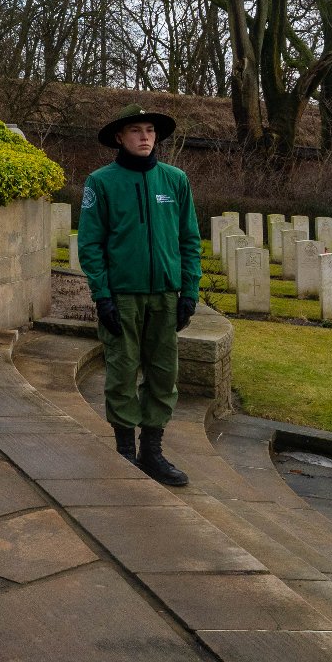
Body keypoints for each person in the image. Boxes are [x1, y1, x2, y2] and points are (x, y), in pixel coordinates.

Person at [77, 104, 200, 486]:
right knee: (122, 371)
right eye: (136, 130)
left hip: (165, 294)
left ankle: (153, 452)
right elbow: (91, 243)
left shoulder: (174, 180)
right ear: (120, 137)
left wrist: (189, 292)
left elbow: (189, 240)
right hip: (123, 296)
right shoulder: (101, 182)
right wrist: (103, 296)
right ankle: (125, 452)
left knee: (163, 375)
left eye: (150, 130)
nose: (145, 137)